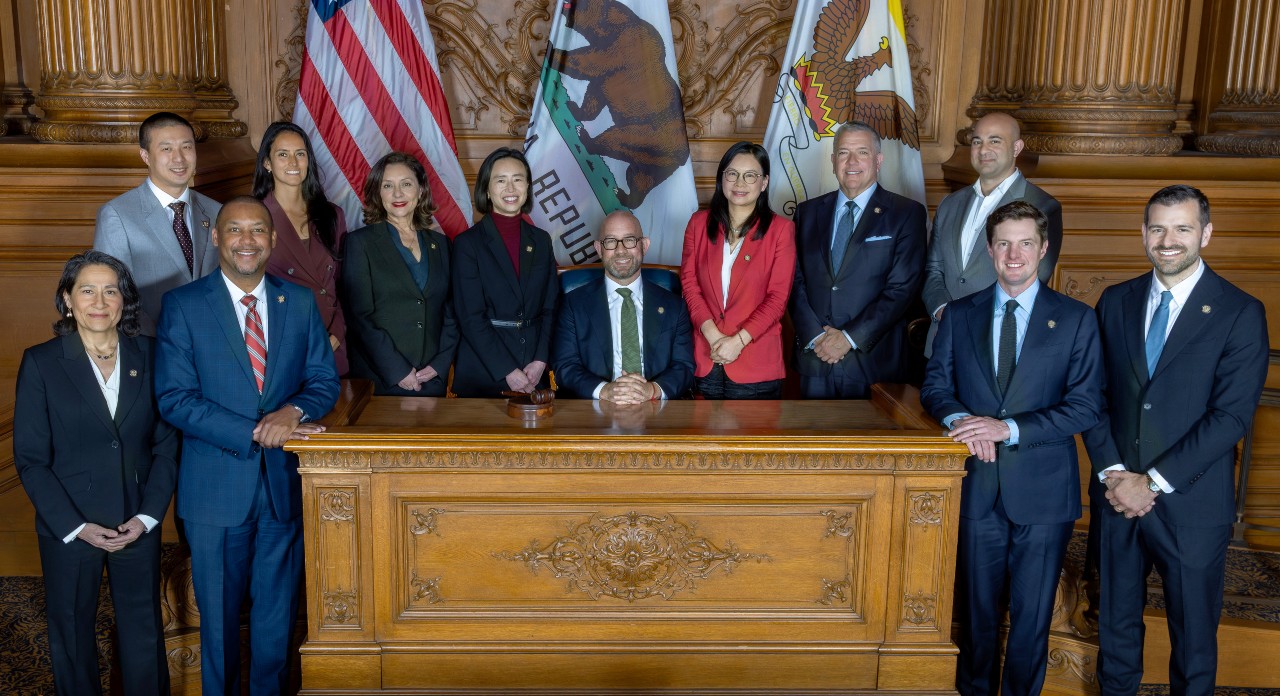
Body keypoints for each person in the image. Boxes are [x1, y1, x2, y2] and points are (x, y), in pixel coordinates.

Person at [1083, 185, 1268, 696]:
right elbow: (1091, 396)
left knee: (1193, 643)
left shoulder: (1239, 311)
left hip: (1191, 502)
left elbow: (1230, 417)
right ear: (1143, 233)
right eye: (1159, 229)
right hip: (1116, 494)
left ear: (1205, 234)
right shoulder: (1115, 300)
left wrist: (1151, 483)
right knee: (1115, 628)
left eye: (1183, 228)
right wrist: (1113, 474)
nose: (1169, 241)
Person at [155, 196, 340, 695]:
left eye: (257, 230)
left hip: (282, 487)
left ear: (272, 239)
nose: (246, 240)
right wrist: (256, 430)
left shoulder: (297, 301)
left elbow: (324, 381)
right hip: (214, 491)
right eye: (234, 230)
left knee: (277, 618)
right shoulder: (184, 305)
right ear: (216, 237)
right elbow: (174, 399)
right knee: (216, 622)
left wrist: (293, 411)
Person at [920, 201, 1103, 696]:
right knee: (976, 613)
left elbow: (1086, 406)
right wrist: (962, 422)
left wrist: (1008, 429)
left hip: (1044, 493)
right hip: (976, 487)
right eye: (1004, 243)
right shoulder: (960, 314)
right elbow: (935, 388)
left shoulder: (1076, 319)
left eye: (1025, 243)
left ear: (1043, 249)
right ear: (990, 249)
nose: (1014, 254)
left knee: (1032, 616)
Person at [13, 251, 178, 695]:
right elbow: (31, 458)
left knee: (143, 631)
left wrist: (147, 517)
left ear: (125, 300)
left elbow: (166, 447)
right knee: (71, 632)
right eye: (87, 290)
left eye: (111, 291)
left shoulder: (153, 355)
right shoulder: (42, 362)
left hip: (135, 521)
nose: (100, 302)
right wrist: (75, 526)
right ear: (68, 300)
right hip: (69, 525)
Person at [790, 120, 927, 398]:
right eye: (843, 152)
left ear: (878, 160)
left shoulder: (906, 213)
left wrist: (849, 338)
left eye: (862, 152)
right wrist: (816, 336)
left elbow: (901, 289)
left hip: (873, 361)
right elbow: (793, 280)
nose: (851, 161)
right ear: (833, 161)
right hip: (815, 357)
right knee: (811, 426)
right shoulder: (807, 212)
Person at [922, 112, 1063, 356]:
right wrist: (944, 311)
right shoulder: (950, 204)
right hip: (941, 339)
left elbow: (1031, 281)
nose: (983, 149)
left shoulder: (1042, 206)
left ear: (1016, 148)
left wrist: (970, 318)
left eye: (995, 141)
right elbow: (934, 270)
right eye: (977, 141)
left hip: (996, 344)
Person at [680, 141, 795, 399]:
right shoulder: (698, 224)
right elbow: (689, 284)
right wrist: (712, 334)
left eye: (750, 175)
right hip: (704, 358)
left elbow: (777, 299)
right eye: (732, 173)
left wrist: (738, 341)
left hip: (756, 364)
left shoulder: (781, 230)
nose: (739, 183)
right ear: (722, 178)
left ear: (764, 183)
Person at [94, 111, 222, 335]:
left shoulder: (216, 210)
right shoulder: (117, 215)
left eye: (187, 147)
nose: (179, 158)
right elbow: (111, 292)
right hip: (149, 341)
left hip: (210, 337)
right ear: (145, 156)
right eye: (166, 149)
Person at [342, 152, 458, 395]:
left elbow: (451, 312)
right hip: (382, 380)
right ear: (377, 193)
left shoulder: (441, 244)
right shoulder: (359, 243)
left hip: (431, 379)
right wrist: (398, 371)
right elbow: (359, 317)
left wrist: (439, 365)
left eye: (406, 184)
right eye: (388, 186)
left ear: (421, 190)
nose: (398, 194)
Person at [553, 210, 694, 401]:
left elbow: (684, 366)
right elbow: (565, 366)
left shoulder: (674, 306)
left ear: (644, 245)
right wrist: (605, 391)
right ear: (599, 248)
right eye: (611, 241)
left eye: (629, 240)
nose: (620, 250)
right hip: (595, 406)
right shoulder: (573, 304)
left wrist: (652, 390)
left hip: (656, 406)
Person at [451, 147, 557, 397]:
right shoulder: (467, 244)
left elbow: (551, 307)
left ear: (527, 187)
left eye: (517, 179)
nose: (511, 188)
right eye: (501, 180)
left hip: (533, 370)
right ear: (487, 189)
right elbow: (470, 317)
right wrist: (507, 370)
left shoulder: (541, 240)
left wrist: (540, 360)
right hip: (484, 371)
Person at [253, 120, 351, 375]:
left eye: (300, 154)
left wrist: (336, 333)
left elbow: (344, 285)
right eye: (283, 155)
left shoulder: (332, 215)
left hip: (331, 343)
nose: (293, 162)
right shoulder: (253, 217)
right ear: (267, 163)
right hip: (281, 348)